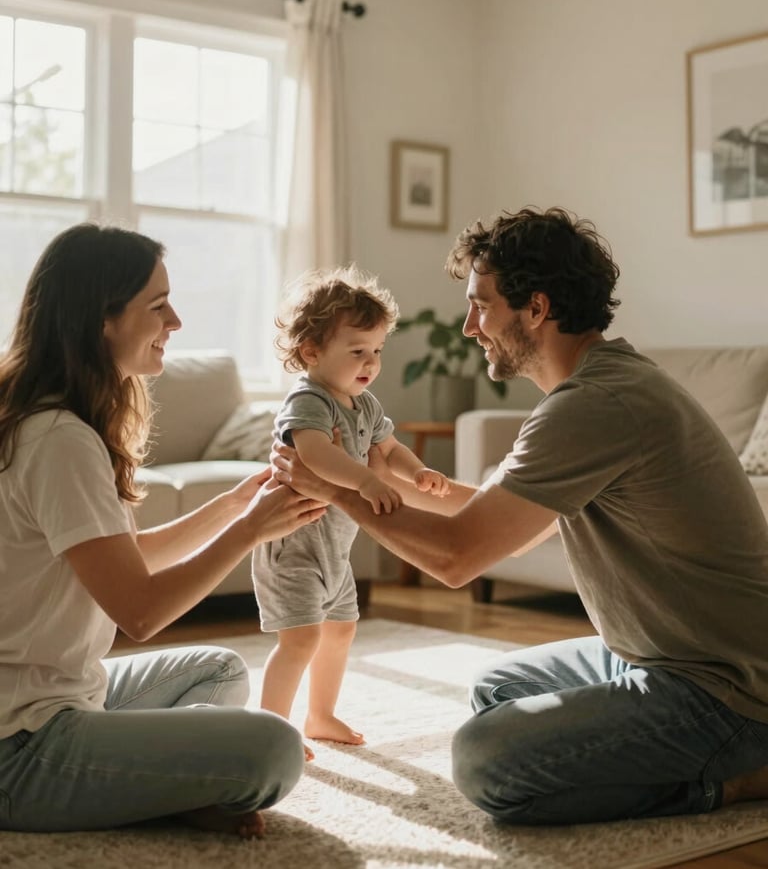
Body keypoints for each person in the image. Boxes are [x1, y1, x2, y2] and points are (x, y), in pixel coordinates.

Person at [272, 207, 768, 825]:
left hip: (729, 692)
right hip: (652, 655)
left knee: (487, 761)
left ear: (535, 308)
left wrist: (340, 489)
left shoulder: (596, 405)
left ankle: (737, 780)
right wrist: (402, 482)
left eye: (481, 305)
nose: (468, 327)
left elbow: (458, 557)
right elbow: (487, 516)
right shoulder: (595, 389)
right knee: (498, 690)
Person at [0, 222, 328, 838]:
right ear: (102, 319)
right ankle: (161, 783)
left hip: (63, 699)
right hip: (20, 749)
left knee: (221, 671)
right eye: (157, 306)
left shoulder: (55, 421)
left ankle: (155, 782)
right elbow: (140, 610)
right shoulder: (58, 440)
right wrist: (249, 532)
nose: (174, 321)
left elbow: (120, 559)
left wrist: (232, 506)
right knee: (274, 747)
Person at [253, 265, 450, 755]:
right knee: (299, 641)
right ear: (311, 351)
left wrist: (418, 471)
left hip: (334, 550)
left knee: (340, 631)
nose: (371, 362)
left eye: (378, 350)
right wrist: (364, 481)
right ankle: (270, 731)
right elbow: (317, 455)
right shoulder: (308, 400)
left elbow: (389, 448)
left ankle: (319, 715)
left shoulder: (363, 404)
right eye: (358, 351)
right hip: (294, 547)